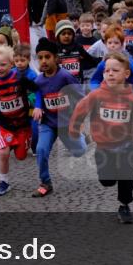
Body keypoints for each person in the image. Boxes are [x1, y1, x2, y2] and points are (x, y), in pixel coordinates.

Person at [69, 51, 133, 224]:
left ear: (126, 74)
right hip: (103, 147)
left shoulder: (132, 98)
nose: (110, 74)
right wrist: (75, 131)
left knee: (125, 177)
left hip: (126, 145)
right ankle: (117, 180)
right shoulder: (96, 95)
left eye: (115, 70)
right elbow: (79, 110)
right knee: (107, 180)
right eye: (107, 71)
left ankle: (124, 205)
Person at [0, 45, 38, 196]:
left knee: (21, 156)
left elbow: (38, 90)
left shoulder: (20, 79)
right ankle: (3, 182)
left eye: (3, 64)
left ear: (11, 64)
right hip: (5, 124)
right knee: (4, 154)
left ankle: (17, 144)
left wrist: (37, 107)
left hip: (23, 125)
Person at [31, 38, 86, 197]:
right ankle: (45, 182)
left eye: (47, 57)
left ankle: (82, 138)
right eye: (40, 58)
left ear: (56, 58)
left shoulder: (65, 77)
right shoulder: (38, 80)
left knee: (79, 151)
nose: (43, 61)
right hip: (48, 123)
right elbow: (38, 96)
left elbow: (81, 97)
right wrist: (38, 107)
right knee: (41, 150)